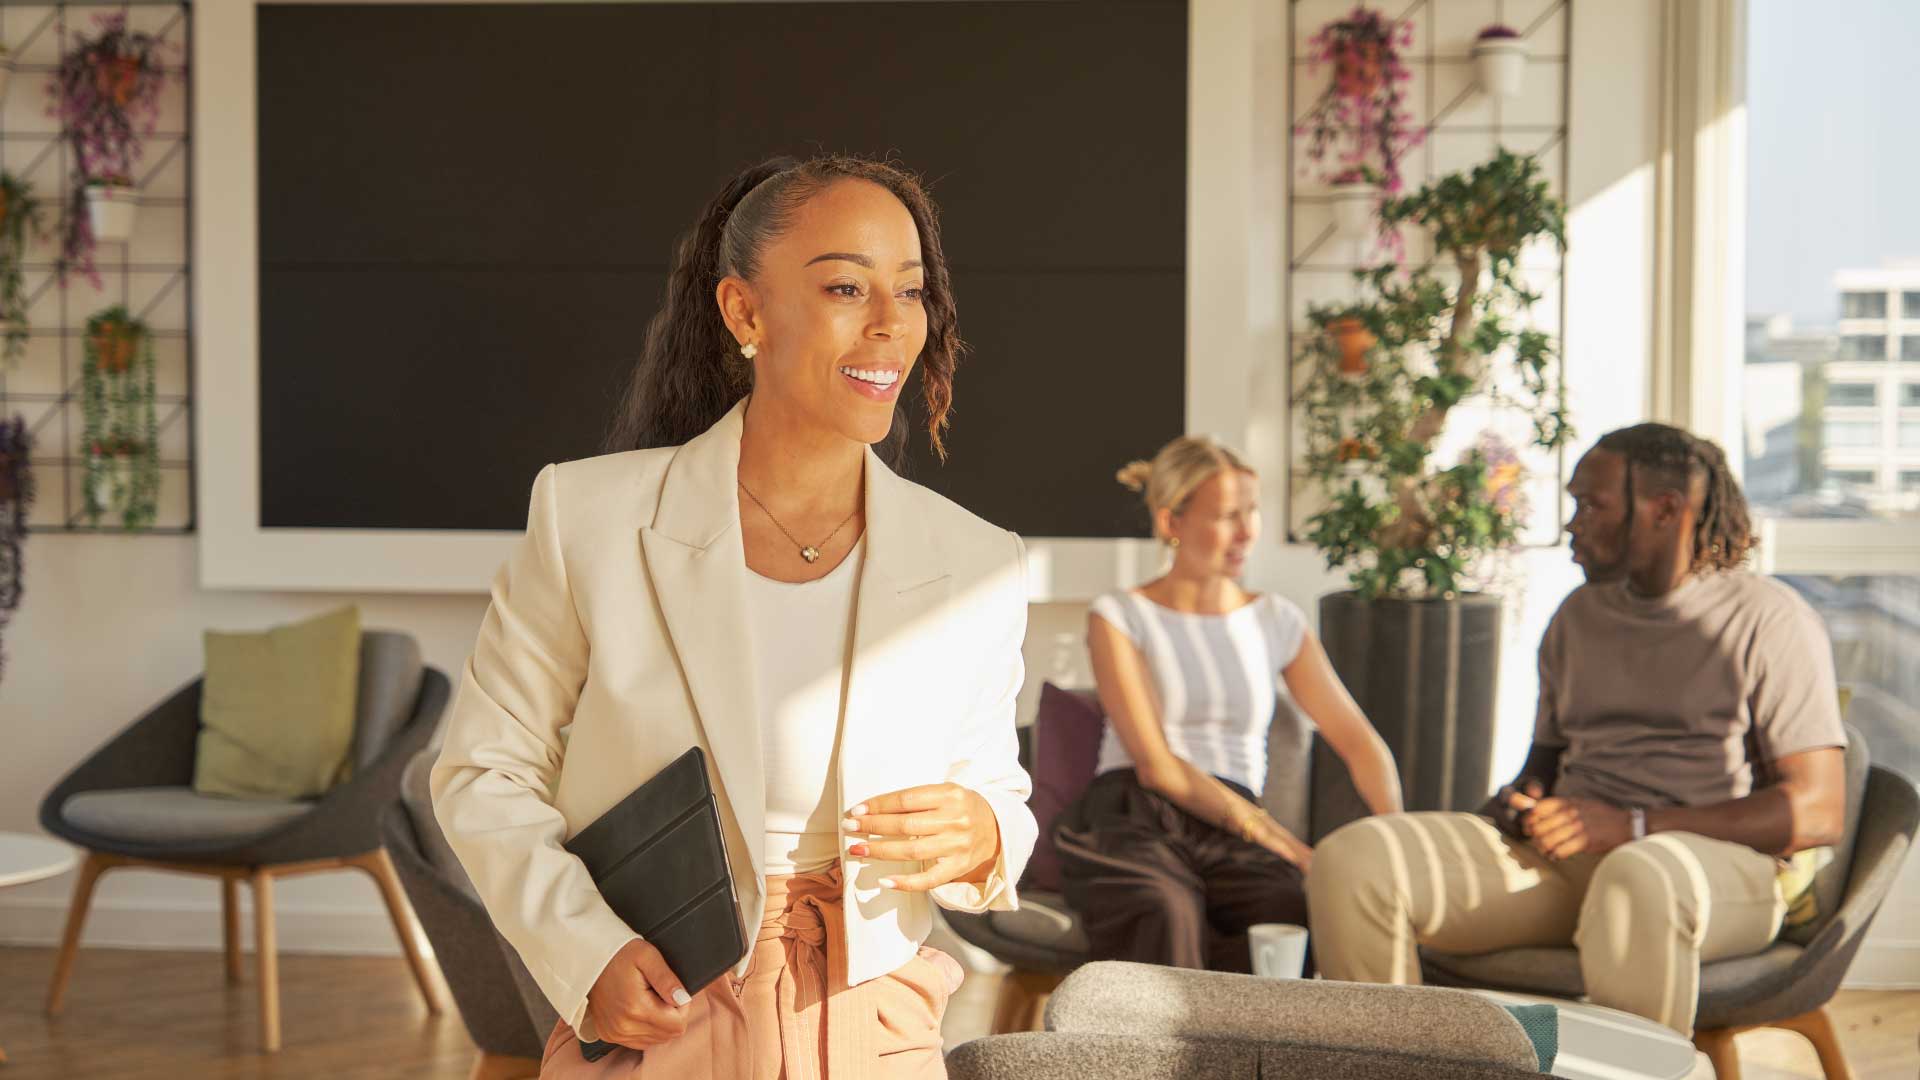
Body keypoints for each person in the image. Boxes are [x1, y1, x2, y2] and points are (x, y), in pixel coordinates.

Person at [431, 155, 1036, 1080]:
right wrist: (587, 954)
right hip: (654, 1001)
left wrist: (986, 830)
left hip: (871, 1020)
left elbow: (998, 788)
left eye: (910, 292)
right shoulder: (587, 518)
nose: (889, 325)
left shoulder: (979, 562)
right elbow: (483, 771)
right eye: (845, 285)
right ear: (744, 312)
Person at [1308, 423, 1848, 1036]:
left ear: (1666, 510)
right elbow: (1544, 763)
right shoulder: (1578, 616)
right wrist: (1520, 802)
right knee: (1355, 860)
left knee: (1637, 877)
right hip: (1572, 863)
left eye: (1592, 505)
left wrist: (1634, 827)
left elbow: (1819, 810)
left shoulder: (1769, 620)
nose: (1573, 522)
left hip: (1716, 871)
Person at [1053, 436, 1403, 971]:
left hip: (1232, 821)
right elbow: (1158, 767)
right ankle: (1152, 1056)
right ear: (1172, 523)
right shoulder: (1119, 616)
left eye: (1252, 512)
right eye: (1226, 516)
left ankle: (1262, 1057)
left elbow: (1358, 742)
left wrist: (1395, 844)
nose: (1246, 533)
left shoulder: (1276, 621)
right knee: (1165, 909)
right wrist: (1284, 842)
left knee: (1292, 909)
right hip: (1133, 813)